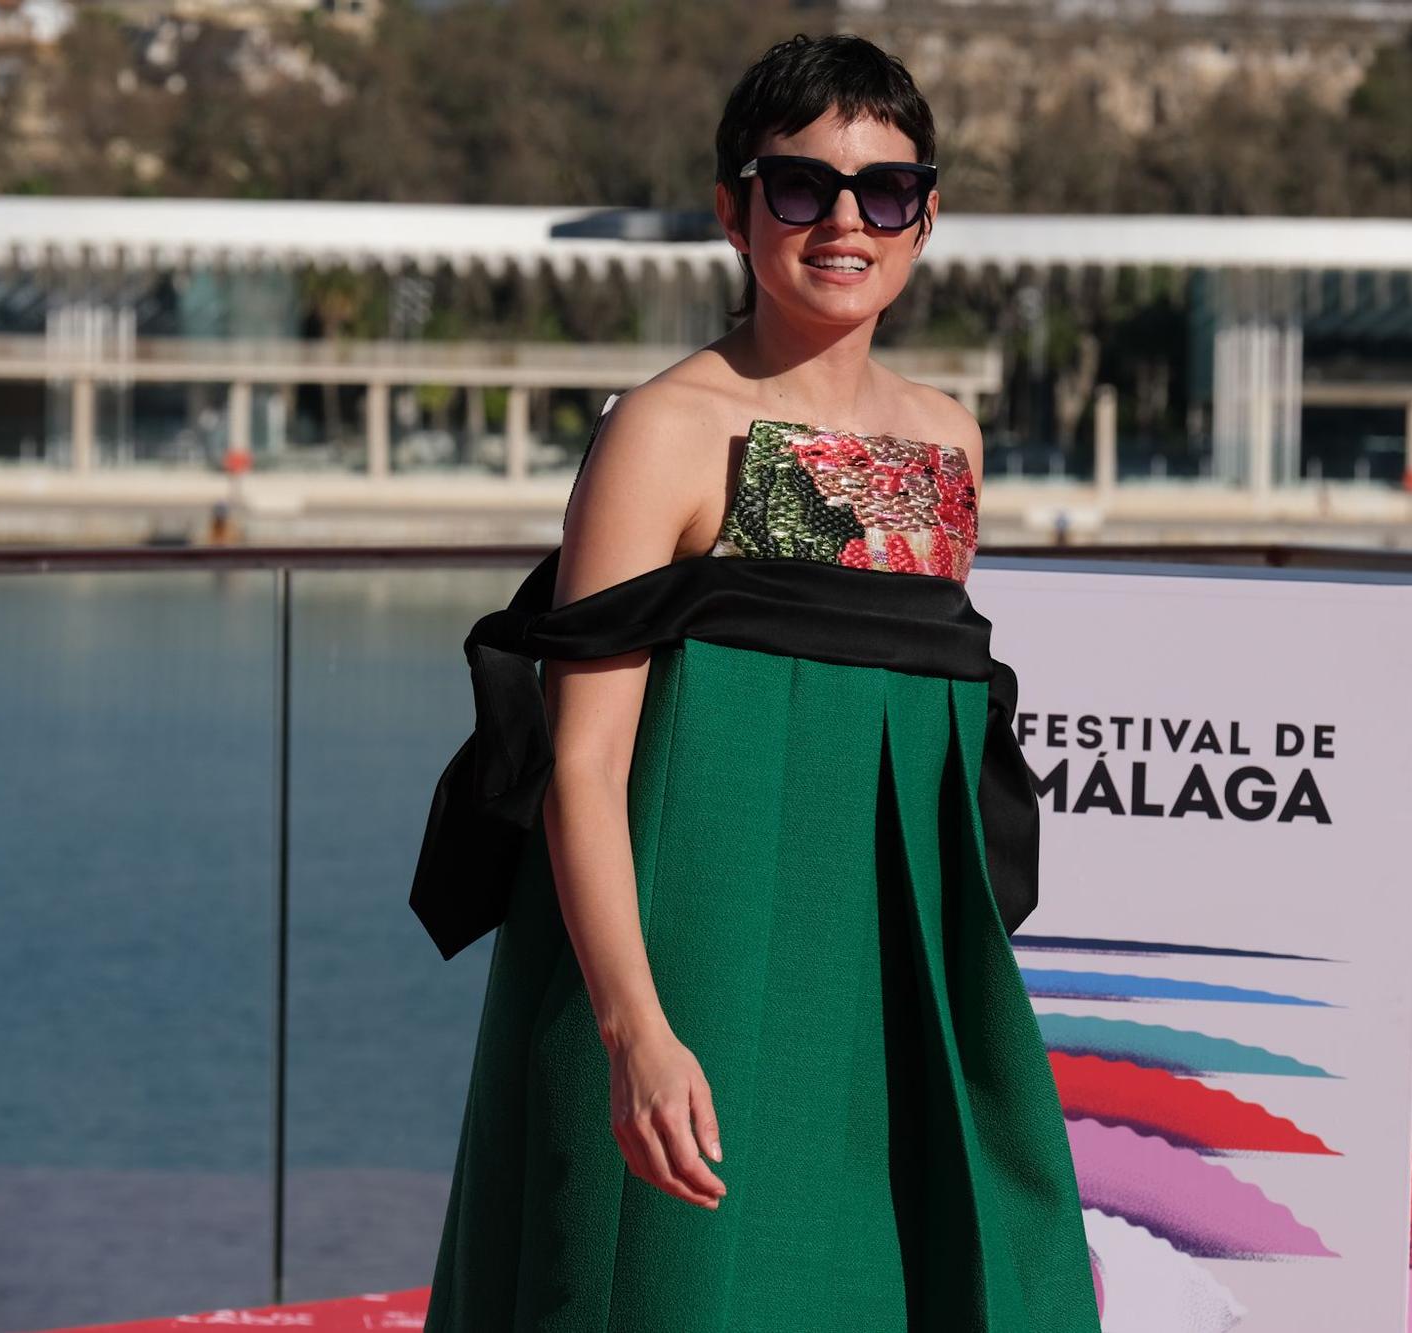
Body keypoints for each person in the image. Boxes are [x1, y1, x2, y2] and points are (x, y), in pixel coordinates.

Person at [414, 31, 1101, 1331]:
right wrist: (635, 1029)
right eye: (802, 186)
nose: (845, 221)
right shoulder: (664, 431)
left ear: (926, 216)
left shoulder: (948, 443)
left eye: (885, 192)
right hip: (693, 967)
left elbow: (922, 727)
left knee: (956, 1278)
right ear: (735, 209)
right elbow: (582, 762)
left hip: (892, 982)